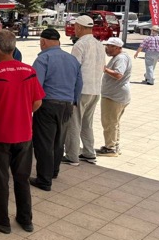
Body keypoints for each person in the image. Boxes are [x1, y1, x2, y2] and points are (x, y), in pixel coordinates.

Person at [0, 30, 44, 235]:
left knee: (0, 179)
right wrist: (22, 113)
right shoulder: (29, 71)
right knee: (22, 178)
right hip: (24, 134)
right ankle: (26, 219)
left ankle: (1, 220)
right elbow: (37, 102)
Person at [29, 29, 82, 192]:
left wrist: (31, 107)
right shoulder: (72, 59)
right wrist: (73, 102)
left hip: (48, 104)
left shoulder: (43, 59)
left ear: (43, 42)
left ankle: (44, 180)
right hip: (67, 104)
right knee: (59, 141)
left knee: (44, 143)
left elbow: (36, 86)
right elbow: (79, 84)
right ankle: (53, 171)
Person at [63, 15, 106, 165]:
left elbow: (73, 69)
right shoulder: (99, 45)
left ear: (80, 27)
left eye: (75, 27)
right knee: (87, 123)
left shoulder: (80, 45)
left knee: (74, 123)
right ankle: (89, 153)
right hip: (95, 89)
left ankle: (72, 156)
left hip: (81, 90)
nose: (74, 29)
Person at [97, 37, 132, 157]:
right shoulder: (119, 57)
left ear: (117, 48)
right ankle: (113, 146)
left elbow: (118, 74)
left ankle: (110, 148)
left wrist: (104, 69)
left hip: (114, 96)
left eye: (109, 47)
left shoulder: (121, 58)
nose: (106, 49)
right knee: (114, 122)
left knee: (109, 122)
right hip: (116, 95)